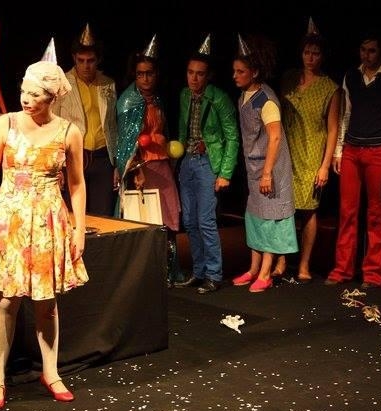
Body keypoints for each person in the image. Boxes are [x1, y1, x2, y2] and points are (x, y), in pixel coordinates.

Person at [0, 60, 88, 411]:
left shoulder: (68, 132)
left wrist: (79, 228)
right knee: (7, 300)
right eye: (24, 91)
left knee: (46, 302)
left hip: (48, 220)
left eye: (35, 95)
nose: (26, 99)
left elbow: (77, 184)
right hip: (10, 219)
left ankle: (51, 372)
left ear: (52, 97)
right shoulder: (5, 124)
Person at [325, 32, 381, 289]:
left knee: (376, 212)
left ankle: (374, 273)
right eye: (363, 50)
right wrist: (339, 150)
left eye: (372, 50)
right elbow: (345, 115)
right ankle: (342, 269)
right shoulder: (351, 76)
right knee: (347, 211)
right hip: (352, 149)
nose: (367, 55)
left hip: (378, 150)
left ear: (380, 51)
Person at [115, 34, 184, 287]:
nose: (145, 79)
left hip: (161, 165)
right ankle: (144, 274)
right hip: (142, 169)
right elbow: (127, 142)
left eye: (149, 74)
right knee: (145, 220)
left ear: (156, 74)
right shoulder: (128, 102)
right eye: (140, 74)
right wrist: (136, 171)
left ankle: (168, 271)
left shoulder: (157, 99)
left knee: (168, 218)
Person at [231, 34, 298, 293]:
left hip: (270, 167)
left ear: (255, 72)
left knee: (269, 217)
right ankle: (253, 268)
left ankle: (266, 272)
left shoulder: (265, 100)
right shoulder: (244, 97)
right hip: (254, 165)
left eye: (241, 71)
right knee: (255, 216)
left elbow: (275, 137)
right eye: (235, 71)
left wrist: (268, 173)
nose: (235, 76)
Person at [176, 34, 240, 294]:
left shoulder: (218, 98)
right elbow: (183, 128)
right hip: (188, 162)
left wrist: (225, 173)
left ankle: (214, 273)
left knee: (205, 221)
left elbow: (232, 137)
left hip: (207, 163)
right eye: (190, 72)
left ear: (208, 76)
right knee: (189, 221)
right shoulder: (184, 95)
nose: (194, 78)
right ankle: (199, 271)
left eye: (200, 74)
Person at [279, 20, 340, 283]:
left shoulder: (330, 88)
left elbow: (333, 128)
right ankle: (281, 260)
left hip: (312, 151)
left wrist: (325, 165)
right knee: (283, 208)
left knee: (308, 208)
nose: (310, 58)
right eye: (306, 52)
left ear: (322, 56)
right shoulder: (289, 79)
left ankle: (303, 264)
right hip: (287, 149)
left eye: (315, 53)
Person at [52, 23, 118, 216]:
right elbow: (54, 125)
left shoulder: (108, 84)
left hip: (102, 158)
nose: (86, 66)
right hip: (74, 158)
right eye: (81, 60)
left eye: (90, 61)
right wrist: (57, 166)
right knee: (73, 215)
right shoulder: (63, 83)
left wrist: (117, 165)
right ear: (74, 58)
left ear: (98, 60)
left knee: (102, 216)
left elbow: (113, 126)